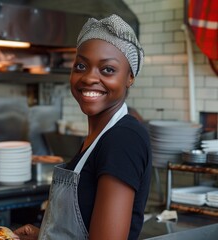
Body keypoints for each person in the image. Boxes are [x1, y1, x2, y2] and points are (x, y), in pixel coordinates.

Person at [15, 14, 152, 240]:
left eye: (107, 69)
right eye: (81, 66)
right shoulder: (98, 137)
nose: (89, 78)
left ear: (130, 77)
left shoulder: (123, 139)